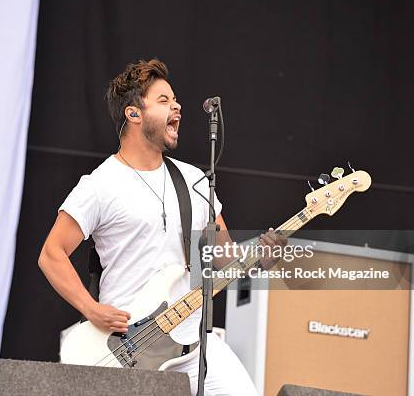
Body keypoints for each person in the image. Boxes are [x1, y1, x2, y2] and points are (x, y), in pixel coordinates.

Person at [38, 58, 285, 395]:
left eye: (175, 99)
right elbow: (52, 254)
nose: (177, 106)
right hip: (129, 346)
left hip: (195, 345)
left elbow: (225, 259)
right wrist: (91, 309)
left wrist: (262, 259)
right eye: (164, 100)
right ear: (133, 114)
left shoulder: (194, 181)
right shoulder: (100, 184)